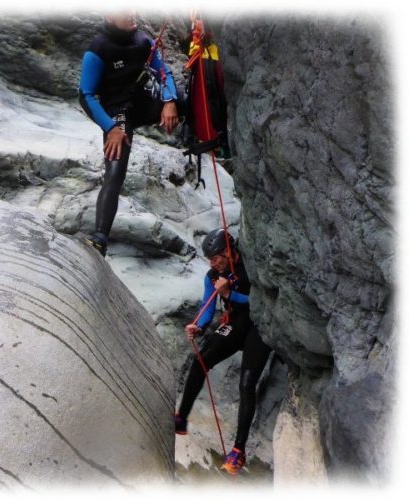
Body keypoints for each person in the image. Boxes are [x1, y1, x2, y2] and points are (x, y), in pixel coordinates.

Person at [78, 10, 180, 256]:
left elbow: (165, 72)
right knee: (115, 166)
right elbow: (86, 95)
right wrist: (111, 127)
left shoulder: (142, 40)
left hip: (143, 102)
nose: (132, 13)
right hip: (120, 113)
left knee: (183, 98)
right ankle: (100, 237)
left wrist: (170, 101)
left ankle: (204, 139)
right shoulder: (99, 49)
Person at [174, 228, 272, 475]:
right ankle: (182, 417)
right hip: (235, 324)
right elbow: (208, 307)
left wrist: (230, 294)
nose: (213, 263)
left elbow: (260, 301)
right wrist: (199, 326)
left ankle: (238, 451)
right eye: (210, 259)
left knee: (247, 384)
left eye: (216, 257)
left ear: (229, 251)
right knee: (200, 361)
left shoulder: (249, 267)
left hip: (258, 328)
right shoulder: (212, 276)